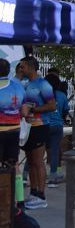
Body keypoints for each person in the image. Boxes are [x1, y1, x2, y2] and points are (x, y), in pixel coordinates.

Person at [19, 56, 55, 209]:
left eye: (23, 67)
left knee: (38, 161)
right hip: (28, 127)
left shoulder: (43, 84)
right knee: (31, 161)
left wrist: (33, 109)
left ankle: (41, 194)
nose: (21, 69)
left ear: (31, 67)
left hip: (40, 125)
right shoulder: (25, 84)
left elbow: (52, 106)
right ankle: (33, 192)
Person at [44, 72, 70, 185]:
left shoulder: (42, 94)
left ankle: (25, 176)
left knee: (36, 152)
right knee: (54, 151)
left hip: (43, 125)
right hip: (57, 126)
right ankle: (53, 177)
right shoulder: (62, 95)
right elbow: (65, 111)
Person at [0, 59, 24, 168]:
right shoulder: (18, 86)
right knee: (13, 164)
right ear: (9, 70)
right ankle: (16, 185)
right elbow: (25, 109)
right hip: (14, 130)